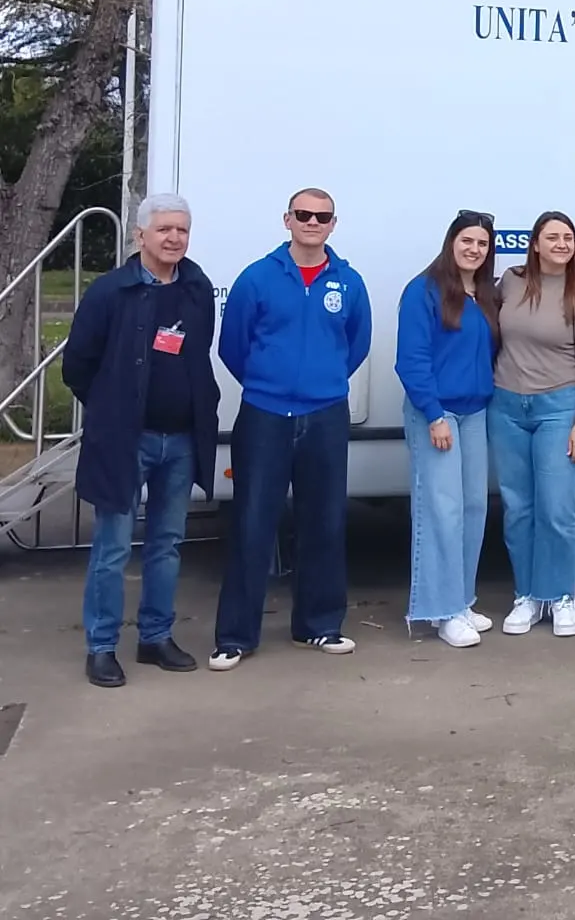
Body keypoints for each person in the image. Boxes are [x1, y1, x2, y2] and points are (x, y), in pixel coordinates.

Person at [63, 195, 220, 687]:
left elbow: (198, 353)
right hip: (126, 440)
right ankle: (102, 647)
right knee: (112, 548)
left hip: (179, 442)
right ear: (140, 236)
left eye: (182, 230)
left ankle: (155, 637)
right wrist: (113, 409)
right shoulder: (111, 291)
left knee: (167, 544)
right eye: (164, 230)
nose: (174, 238)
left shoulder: (195, 288)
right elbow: (77, 367)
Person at [211, 188, 372, 670]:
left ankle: (319, 626)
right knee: (252, 523)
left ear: (333, 224)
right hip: (264, 414)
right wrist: (269, 384)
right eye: (303, 214)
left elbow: (355, 344)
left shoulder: (349, 281)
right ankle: (236, 635)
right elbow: (233, 346)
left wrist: (320, 383)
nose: (312, 222)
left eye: (322, 216)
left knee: (324, 522)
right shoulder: (257, 278)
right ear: (287, 220)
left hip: (325, 415)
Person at [490, 211, 575, 639]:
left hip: (559, 407)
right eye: (552, 236)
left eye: (568, 237)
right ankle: (528, 596)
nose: (561, 243)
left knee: (557, 509)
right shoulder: (511, 282)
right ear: (535, 242)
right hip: (506, 407)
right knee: (518, 508)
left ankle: (561, 597)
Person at [394, 210, 500, 648]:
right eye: (467, 241)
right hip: (436, 415)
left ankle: (461, 600)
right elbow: (411, 359)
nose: (474, 249)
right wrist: (434, 414)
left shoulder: (485, 294)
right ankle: (440, 611)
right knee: (442, 511)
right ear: (451, 242)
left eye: (482, 243)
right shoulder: (423, 290)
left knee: (473, 509)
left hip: (475, 413)